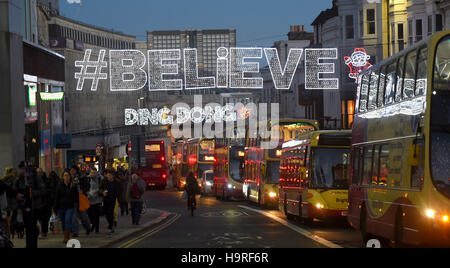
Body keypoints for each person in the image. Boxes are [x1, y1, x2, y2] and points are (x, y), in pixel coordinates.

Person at [16, 162, 46, 248]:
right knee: (28, 229)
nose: (21, 171)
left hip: (35, 207)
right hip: (24, 207)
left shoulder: (36, 177)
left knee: (32, 229)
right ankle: (29, 245)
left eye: (23, 169)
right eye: (20, 169)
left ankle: (32, 245)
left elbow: (43, 190)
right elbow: (16, 192)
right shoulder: (19, 179)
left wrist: (32, 193)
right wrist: (18, 204)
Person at [54, 170, 78, 244]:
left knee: (67, 220)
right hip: (61, 207)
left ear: (70, 177)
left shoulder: (73, 186)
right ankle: (65, 236)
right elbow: (57, 197)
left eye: (67, 175)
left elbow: (76, 196)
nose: (66, 177)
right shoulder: (59, 186)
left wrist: (75, 204)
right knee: (63, 222)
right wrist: (55, 208)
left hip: (70, 207)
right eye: (65, 175)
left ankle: (67, 238)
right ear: (62, 177)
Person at [70, 165, 91, 237]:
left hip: (81, 200)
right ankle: (75, 232)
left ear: (76, 170)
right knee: (73, 217)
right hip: (73, 200)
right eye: (71, 170)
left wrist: (83, 191)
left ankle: (88, 227)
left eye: (73, 169)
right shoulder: (69, 179)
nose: (72, 171)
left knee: (83, 217)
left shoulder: (82, 177)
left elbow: (88, 186)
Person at [100, 169, 119, 234]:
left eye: (110, 175)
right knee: (107, 214)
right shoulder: (104, 181)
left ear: (113, 176)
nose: (108, 176)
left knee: (111, 213)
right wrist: (102, 192)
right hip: (105, 200)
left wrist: (120, 201)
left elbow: (119, 192)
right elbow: (100, 189)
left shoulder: (116, 182)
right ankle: (111, 224)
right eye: (108, 175)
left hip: (113, 200)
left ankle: (111, 227)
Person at [1, 167, 17, 238]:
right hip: (11, 200)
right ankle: (11, 230)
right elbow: (13, 189)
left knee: (6, 216)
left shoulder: (3, 179)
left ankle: (8, 231)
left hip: (4, 200)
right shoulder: (14, 179)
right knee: (13, 215)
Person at [87, 168, 102, 233]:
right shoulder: (88, 179)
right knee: (90, 214)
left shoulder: (100, 178)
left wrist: (92, 194)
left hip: (97, 199)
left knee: (96, 214)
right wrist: (88, 194)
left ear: (96, 173)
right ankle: (93, 225)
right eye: (92, 172)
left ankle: (97, 228)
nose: (93, 174)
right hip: (89, 199)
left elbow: (100, 188)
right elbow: (86, 187)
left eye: (94, 173)